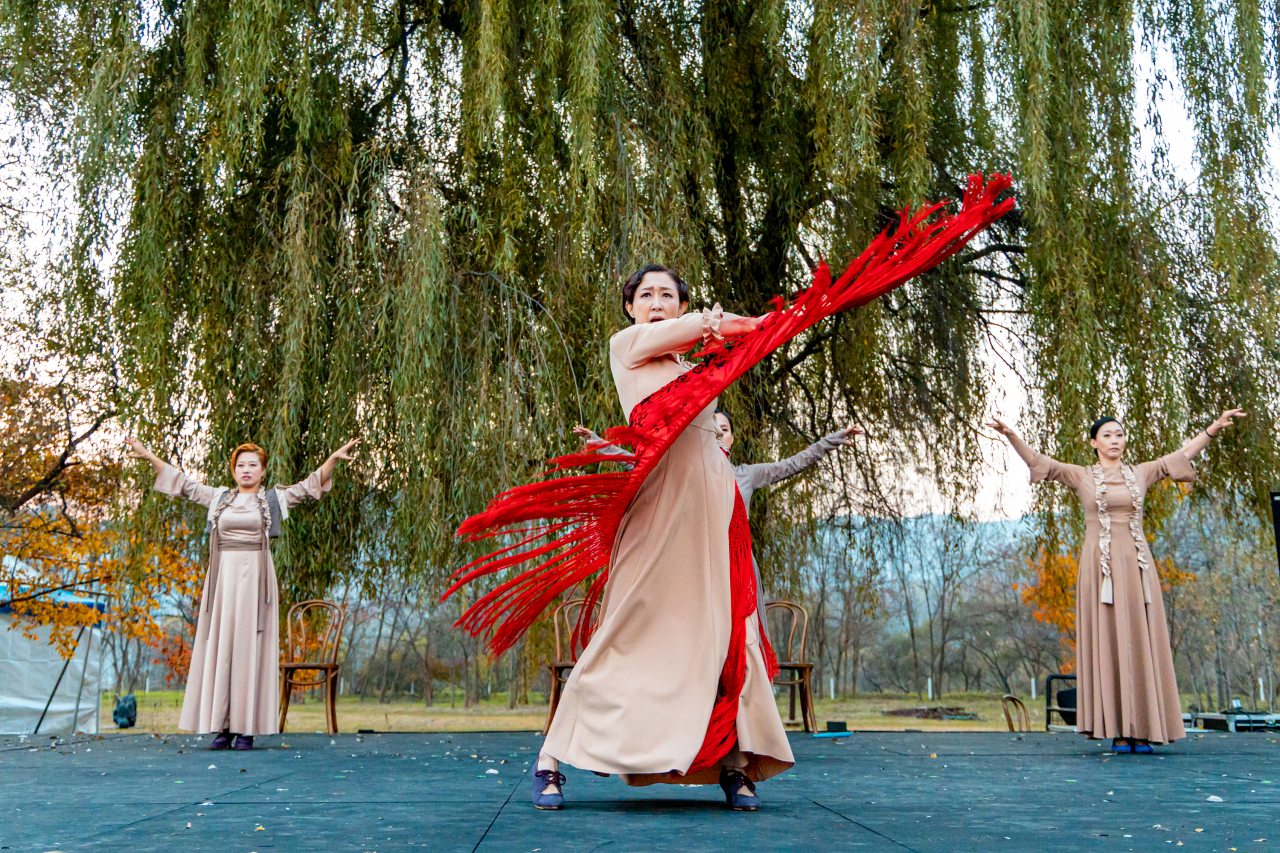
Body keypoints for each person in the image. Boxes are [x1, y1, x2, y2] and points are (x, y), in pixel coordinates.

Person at [534, 265, 793, 811]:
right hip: (657, 518)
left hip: (713, 517)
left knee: (727, 637)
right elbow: (704, 332)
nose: (656, 302)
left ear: (678, 305)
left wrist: (773, 324)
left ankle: (734, 764)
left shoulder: (691, 367)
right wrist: (725, 323)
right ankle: (550, 760)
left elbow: (727, 346)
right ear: (631, 307)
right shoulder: (628, 346)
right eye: (646, 294)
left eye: (667, 295)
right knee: (622, 634)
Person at [987, 409, 1245, 752]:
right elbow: (1039, 462)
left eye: (1120, 435)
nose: (1115, 440)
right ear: (1094, 443)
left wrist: (1212, 429)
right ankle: (1119, 731)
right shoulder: (1080, 476)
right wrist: (1011, 436)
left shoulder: (1141, 473)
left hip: (1137, 566)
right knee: (1109, 639)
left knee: (1140, 638)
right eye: (1107, 435)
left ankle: (1145, 729)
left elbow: (1182, 456)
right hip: (1099, 567)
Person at [125, 436, 359, 749]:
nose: (245, 470)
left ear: (263, 471)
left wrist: (331, 457)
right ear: (233, 471)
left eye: (252, 465)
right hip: (222, 580)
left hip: (255, 581)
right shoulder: (219, 497)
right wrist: (146, 454)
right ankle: (223, 727)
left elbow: (308, 486)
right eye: (240, 465)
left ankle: (246, 728)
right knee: (222, 650)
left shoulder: (273, 499)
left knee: (249, 649)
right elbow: (182, 483)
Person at [574, 412, 862, 624]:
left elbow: (795, 463)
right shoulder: (689, 473)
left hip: (737, 568)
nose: (717, 434)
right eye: (710, 430)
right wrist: (599, 444)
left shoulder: (747, 474)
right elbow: (640, 465)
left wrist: (836, 438)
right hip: (699, 566)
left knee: (741, 636)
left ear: (732, 437)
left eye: (723, 429)